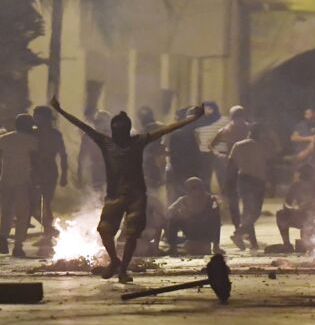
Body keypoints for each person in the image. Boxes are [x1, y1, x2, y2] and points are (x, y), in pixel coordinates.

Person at [52, 97, 204, 282]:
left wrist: (192, 119)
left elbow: (166, 129)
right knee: (105, 231)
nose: (120, 133)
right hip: (115, 195)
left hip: (136, 196)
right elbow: (83, 126)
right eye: (117, 129)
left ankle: (123, 268)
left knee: (132, 233)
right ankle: (116, 262)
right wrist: (59, 111)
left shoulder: (137, 141)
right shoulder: (107, 142)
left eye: (122, 129)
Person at [0, 114, 39, 257]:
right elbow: (35, 162)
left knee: (6, 212)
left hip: (5, 180)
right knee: (22, 215)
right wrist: (37, 180)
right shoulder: (32, 141)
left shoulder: (3, 139)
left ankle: (3, 237)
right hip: (23, 181)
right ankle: (18, 246)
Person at [227, 123, 268, 250]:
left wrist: (229, 181)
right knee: (254, 212)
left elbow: (230, 163)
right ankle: (239, 233)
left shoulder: (238, 145)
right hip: (257, 181)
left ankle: (253, 243)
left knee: (248, 212)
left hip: (243, 180)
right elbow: (268, 164)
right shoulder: (262, 146)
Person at [32, 105, 69, 245]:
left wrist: (64, 174)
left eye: (37, 116)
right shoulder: (32, 133)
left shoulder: (55, 134)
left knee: (45, 203)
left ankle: (48, 233)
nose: (35, 118)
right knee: (33, 204)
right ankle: (49, 230)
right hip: (35, 171)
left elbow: (63, 154)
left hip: (48, 171)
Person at [208, 105, 248, 231]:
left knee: (246, 197)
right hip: (232, 167)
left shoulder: (249, 128)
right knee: (233, 198)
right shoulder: (225, 130)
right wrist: (219, 155)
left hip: (246, 166)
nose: (238, 120)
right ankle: (238, 227)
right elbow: (211, 146)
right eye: (236, 117)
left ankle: (245, 226)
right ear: (232, 118)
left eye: (240, 117)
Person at [276, 164, 315, 249]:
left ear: (300, 175)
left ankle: (287, 244)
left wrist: (294, 210)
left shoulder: (296, 186)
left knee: (280, 215)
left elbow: (287, 205)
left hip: (307, 220)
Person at [165, 177, 221, 255]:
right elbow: (169, 211)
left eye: (198, 187)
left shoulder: (211, 199)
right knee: (175, 217)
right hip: (191, 231)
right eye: (192, 188)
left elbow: (216, 218)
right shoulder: (183, 200)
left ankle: (216, 246)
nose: (196, 190)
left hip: (205, 232)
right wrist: (182, 213)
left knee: (215, 217)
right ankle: (172, 247)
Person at [165, 107, 202, 204]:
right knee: (190, 191)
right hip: (191, 168)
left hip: (179, 168)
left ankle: (179, 211)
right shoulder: (194, 133)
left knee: (178, 191)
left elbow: (171, 151)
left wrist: (173, 165)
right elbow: (198, 151)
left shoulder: (174, 132)